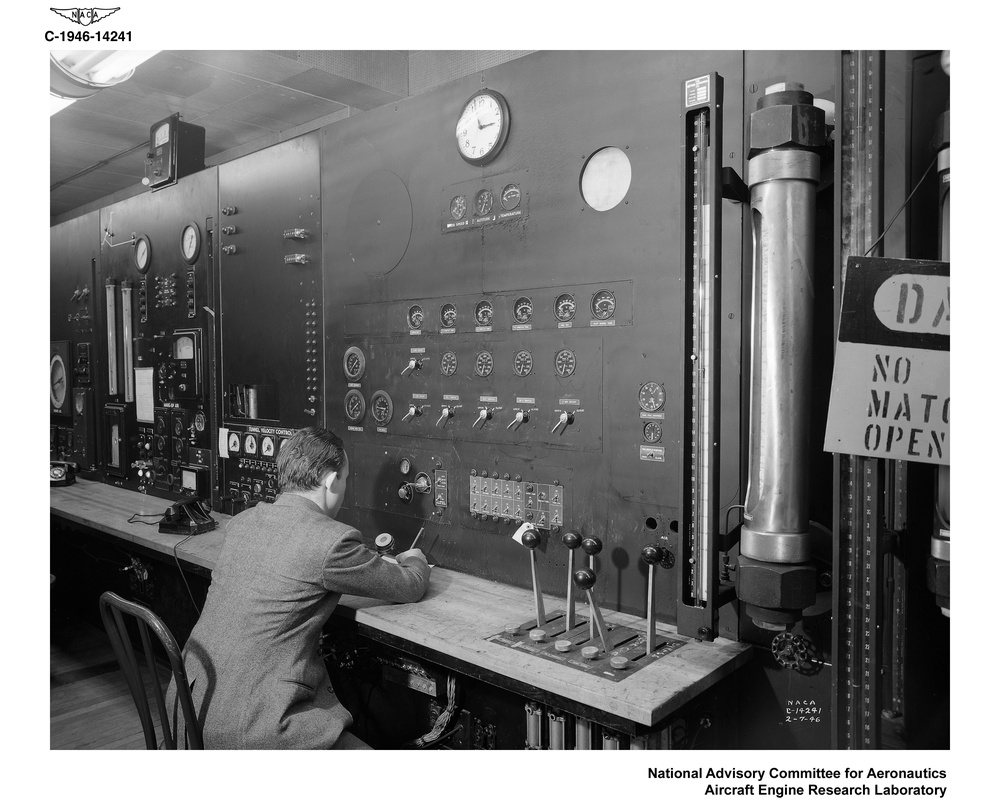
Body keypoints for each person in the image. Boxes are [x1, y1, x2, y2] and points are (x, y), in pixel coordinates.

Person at [166, 426, 430, 749]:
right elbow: (409, 585)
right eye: (346, 479)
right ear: (332, 481)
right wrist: (415, 558)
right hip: (251, 729)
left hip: (187, 712)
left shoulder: (242, 524)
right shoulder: (331, 541)